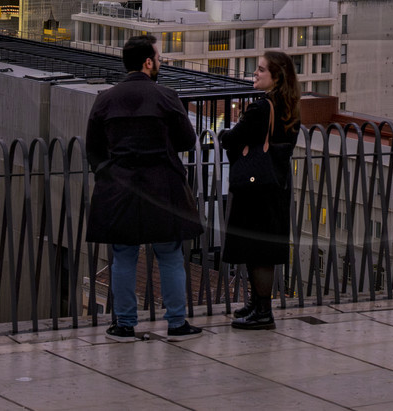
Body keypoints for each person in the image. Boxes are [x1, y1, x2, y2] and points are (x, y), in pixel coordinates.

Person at [85, 34, 204, 342]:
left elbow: (94, 149)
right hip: (163, 186)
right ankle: (176, 322)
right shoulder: (166, 96)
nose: (161, 63)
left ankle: (124, 324)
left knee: (123, 255)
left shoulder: (104, 99)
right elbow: (187, 141)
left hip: (119, 187)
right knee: (170, 255)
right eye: (160, 59)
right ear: (148, 63)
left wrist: (106, 172)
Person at [220, 50, 301, 331]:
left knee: (257, 251)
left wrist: (223, 131)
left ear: (276, 77)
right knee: (262, 249)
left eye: (261, 70)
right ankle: (257, 303)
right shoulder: (290, 107)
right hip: (275, 186)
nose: (255, 73)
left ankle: (263, 310)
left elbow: (232, 138)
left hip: (255, 191)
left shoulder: (261, 108)